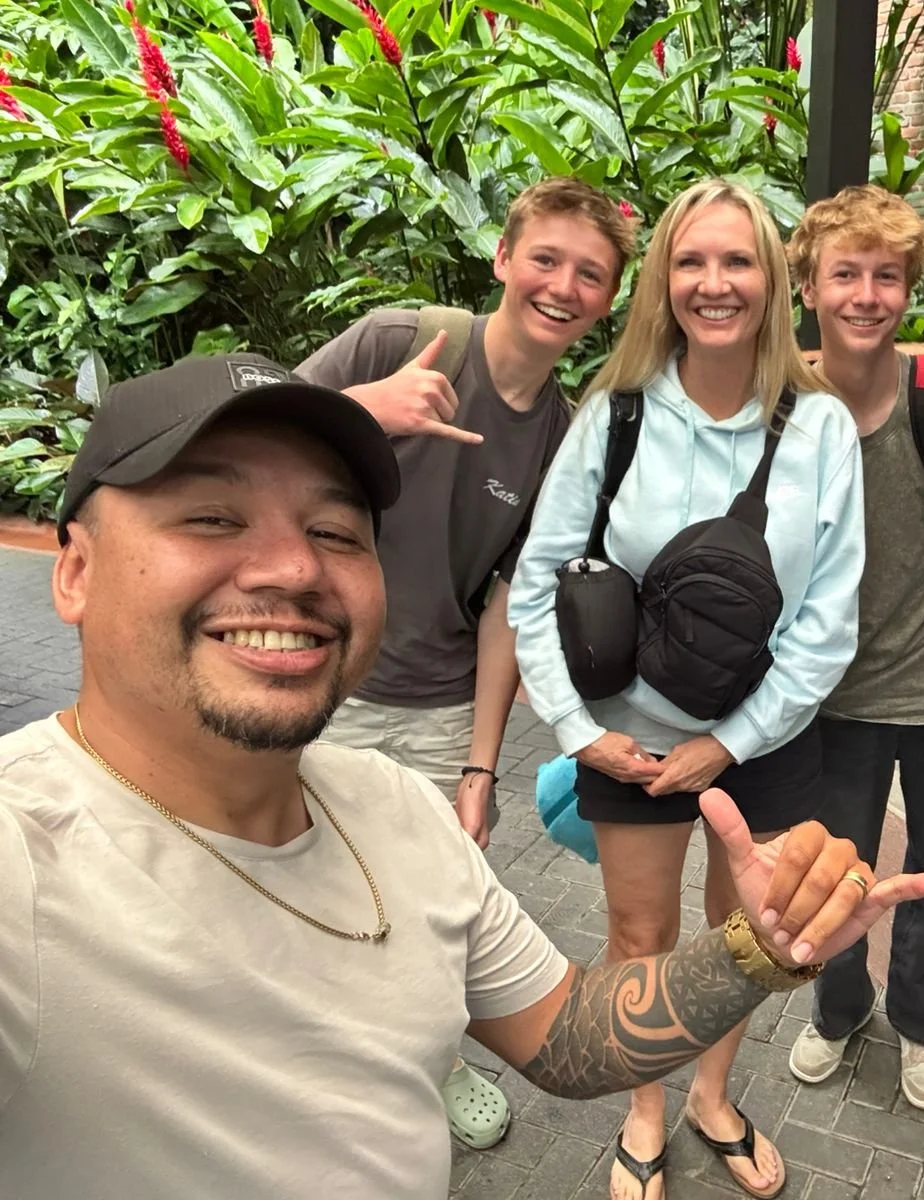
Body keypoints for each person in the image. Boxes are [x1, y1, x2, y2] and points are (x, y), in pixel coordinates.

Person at [0, 353, 924, 1200]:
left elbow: (572, 1036)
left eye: (335, 530)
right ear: (73, 570)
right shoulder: (25, 855)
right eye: (212, 516)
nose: (291, 567)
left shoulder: (395, 812)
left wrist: (754, 950)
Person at [509, 178, 865, 1200]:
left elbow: (826, 620)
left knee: (743, 937)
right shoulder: (615, 416)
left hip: (767, 737)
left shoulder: (819, 429)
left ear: (773, 278)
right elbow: (537, 584)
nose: (715, 283)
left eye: (737, 260)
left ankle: (712, 1097)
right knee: (639, 937)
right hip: (628, 742)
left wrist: (734, 741)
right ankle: (645, 1109)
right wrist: (578, 732)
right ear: (664, 279)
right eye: (691, 261)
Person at [297, 176, 632, 1146]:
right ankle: (315, 1064)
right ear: (501, 258)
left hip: (438, 699)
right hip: (313, 683)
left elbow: (505, 608)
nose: (562, 286)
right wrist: (364, 409)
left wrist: (482, 765)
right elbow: (243, 434)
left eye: (590, 273)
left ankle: (430, 1059)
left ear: (607, 298)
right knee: (299, 883)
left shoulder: (560, 438)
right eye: (545, 258)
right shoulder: (399, 338)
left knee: (429, 902)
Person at [782, 185, 924, 1111]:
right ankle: (837, 1009)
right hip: (833, 699)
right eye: (846, 275)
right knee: (833, 878)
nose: (867, 296)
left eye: (887, 277)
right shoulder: (779, 406)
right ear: (809, 289)